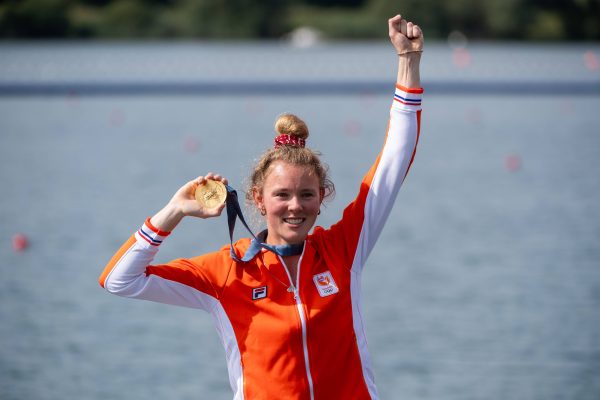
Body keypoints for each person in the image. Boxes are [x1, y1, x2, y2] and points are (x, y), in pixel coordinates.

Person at [99, 13, 423, 400]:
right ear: (257, 199)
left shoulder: (343, 250)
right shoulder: (226, 273)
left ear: (323, 199)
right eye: (281, 195)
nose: (294, 207)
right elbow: (119, 281)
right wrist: (173, 212)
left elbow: (394, 162)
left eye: (307, 195)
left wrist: (409, 61)